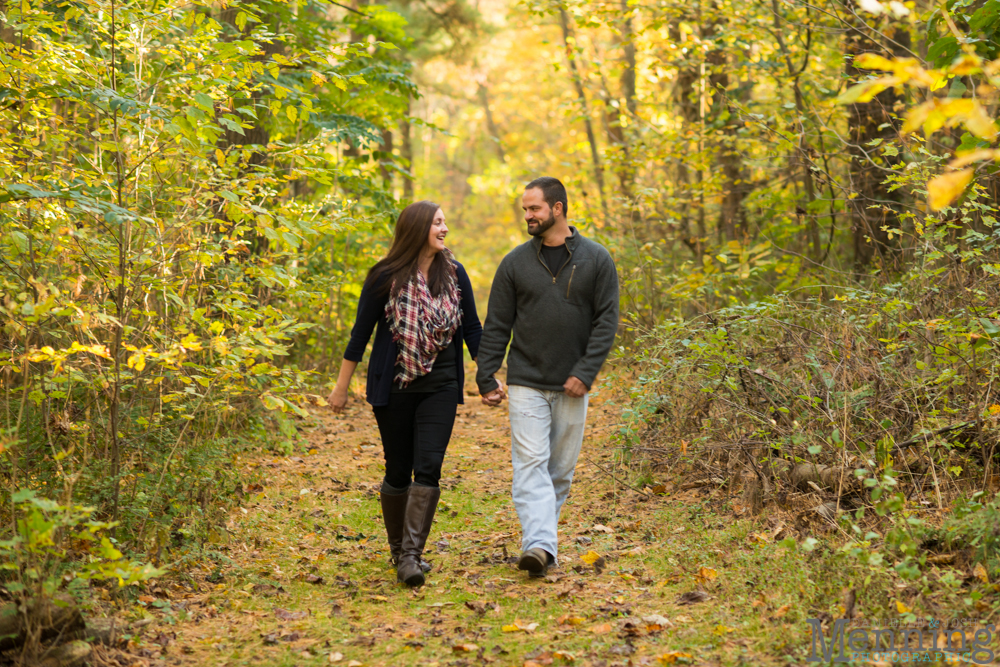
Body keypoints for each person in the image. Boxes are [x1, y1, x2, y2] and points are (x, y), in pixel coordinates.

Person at [328, 201, 482, 587]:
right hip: (394, 386)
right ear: (417, 228)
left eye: (445, 221)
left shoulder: (455, 274)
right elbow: (360, 334)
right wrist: (341, 386)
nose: (444, 228)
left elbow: (473, 330)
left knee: (428, 466)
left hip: (442, 386)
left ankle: (411, 556)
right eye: (437, 222)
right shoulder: (385, 275)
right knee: (398, 469)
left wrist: (489, 374)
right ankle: (399, 551)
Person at [476, 177, 619, 578]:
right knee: (530, 463)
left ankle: (541, 541)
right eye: (525, 209)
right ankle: (539, 546)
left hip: (574, 383)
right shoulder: (515, 263)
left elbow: (606, 322)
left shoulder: (596, 259)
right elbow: (498, 324)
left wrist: (585, 372)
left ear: (557, 208)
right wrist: (486, 374)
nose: (528, 216)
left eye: (534, 208)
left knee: (558, 472)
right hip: (526, 380)